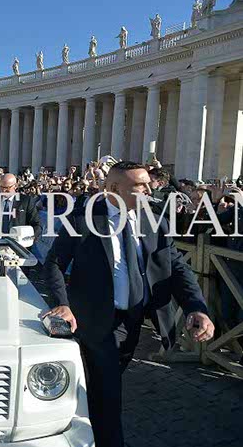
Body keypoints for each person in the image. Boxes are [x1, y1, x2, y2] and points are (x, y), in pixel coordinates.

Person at [42, 161, 214, 447]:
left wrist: (196, 306)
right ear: (113, 188)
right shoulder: (82, 219)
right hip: (96, 321)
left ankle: (85, 425)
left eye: (148, 183)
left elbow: (176, 267)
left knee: (102, 387)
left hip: (132, 320)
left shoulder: (155, 220)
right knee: (108, 391)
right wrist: (63, 304)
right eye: (140, 185)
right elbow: (54, 264)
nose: (149, 189)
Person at [0, 173, 41, 239]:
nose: (4, 190)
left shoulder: (26, 201)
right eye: (2, 187)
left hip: (17, 242)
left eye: (7, 187)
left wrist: (30, 238)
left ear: (15, 186)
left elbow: (36, 224)